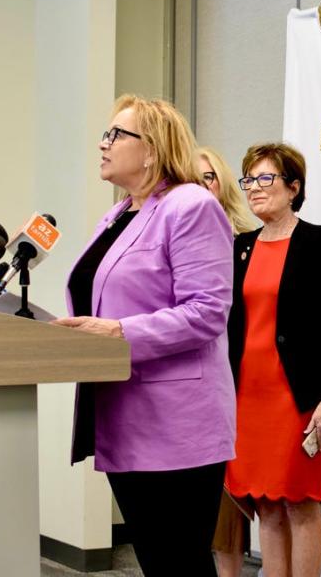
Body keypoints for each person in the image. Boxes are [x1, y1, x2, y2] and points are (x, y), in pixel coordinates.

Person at [52, 94, 235, 576]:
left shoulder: (191, 205)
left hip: (176, 423)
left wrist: (116, 331)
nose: (102, 143)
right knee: (157, 561)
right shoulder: (116, 216)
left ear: (152, 148)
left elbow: (208, 311)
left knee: (179, 563)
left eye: (115, 135)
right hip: (121, 412)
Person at [225, 142, 321, 577]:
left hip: (297, 400)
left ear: (294, 187)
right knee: (267, 508)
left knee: (300, 505)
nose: (254, 188)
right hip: (247, 399)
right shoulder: (240, 247)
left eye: (266, 179)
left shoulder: (316, 242)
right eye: (249, 180)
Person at [197, 145, 255, 577]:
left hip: (241, 386)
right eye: (191, 180)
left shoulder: (246, 246)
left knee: (235, 505)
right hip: (189, 390)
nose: (200, 188)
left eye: (208, 178)